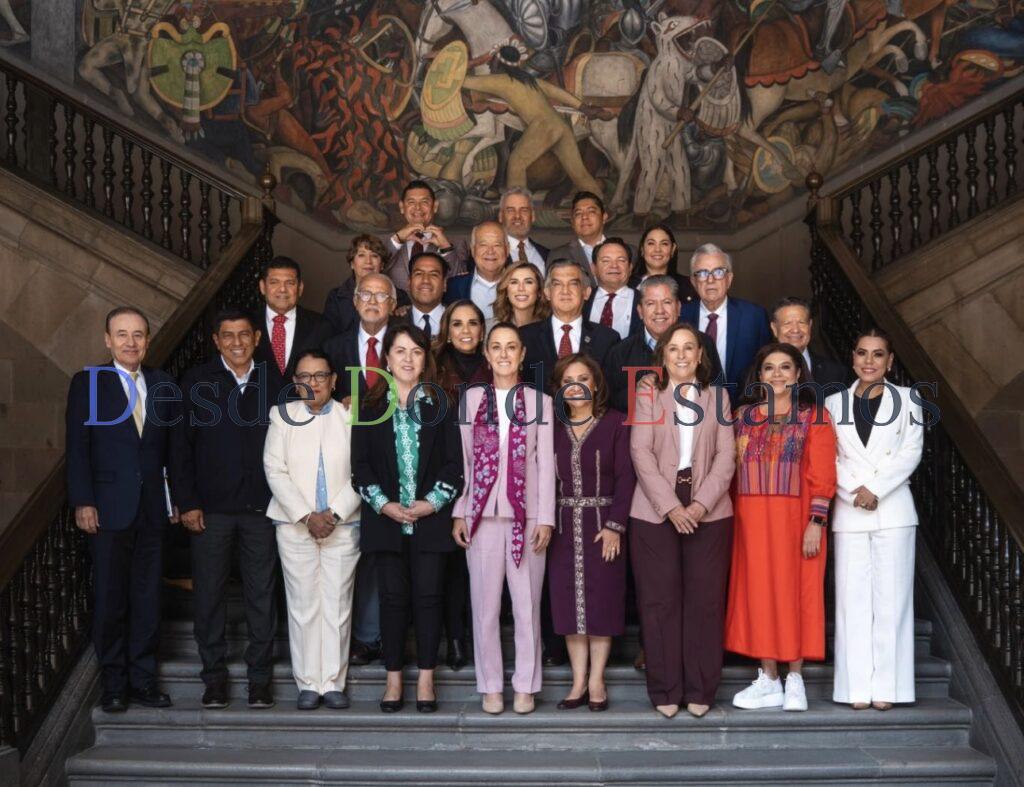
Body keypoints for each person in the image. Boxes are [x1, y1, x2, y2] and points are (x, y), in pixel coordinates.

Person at [66, 307, 176, 713]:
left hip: (151, 510)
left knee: (148, 598)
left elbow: (171, 449)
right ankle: (114, 685)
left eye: (139, 335)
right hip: (107, 509)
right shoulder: (88, 383)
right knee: (111, 599)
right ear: (107, 340)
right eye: (122, 335)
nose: (131, 342)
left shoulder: (163, 383)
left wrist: (177, 496)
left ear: (147, 340)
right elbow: (77, 447)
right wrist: (83, 500)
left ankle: (144, 681)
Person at [351, 326, 464, 713]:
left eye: (415, 352)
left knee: (429, 599)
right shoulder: (367, 407)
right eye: (399, 351)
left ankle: (428, 679)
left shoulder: (443, 406)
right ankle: (394, 678)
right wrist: (384, 504)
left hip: (430, 522)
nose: (407, 358)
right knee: (392, 600)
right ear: (386, 359)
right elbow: (359, 467)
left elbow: (455, 466)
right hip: (385, 521)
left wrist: (431, 503)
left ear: (424, 360)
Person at [172, 310, 278, 710]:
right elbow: (180, 448)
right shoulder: (197, 381)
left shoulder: (273, 381)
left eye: (244, 335)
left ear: (256, 338)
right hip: (210, 511)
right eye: (228, 335)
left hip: (261, 509)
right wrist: (188, 501)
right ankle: (213, 678)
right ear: (216, 341)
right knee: (209, 597)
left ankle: (260, 680)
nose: (237, 342)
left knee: (261, 596)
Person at [628, 323, 736, 719]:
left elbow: (727, 458)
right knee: (659, 603)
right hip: (655, 512)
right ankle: (665, 688)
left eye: (689, 348)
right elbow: (640, 453)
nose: (681, 355)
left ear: (700, 355)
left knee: (705, 603)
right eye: (673, 348)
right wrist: (672, 507)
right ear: (663, 355)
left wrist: (700, 505)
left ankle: (701, 688)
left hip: (710, 511)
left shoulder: (718, 398)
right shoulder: (646, 394)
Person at [726, 343, 837, 713]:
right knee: (758, 595)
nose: (777, 374)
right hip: (751, 522)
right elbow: (729, 473)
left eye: (785, 367)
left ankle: (795, 680)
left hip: (796, 522)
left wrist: (816, 523)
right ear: (759, 376)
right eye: (769, 368)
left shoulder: (814, 417)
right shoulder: (741, 417)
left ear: (797, 374)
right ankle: (769, 678)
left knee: (797, 594)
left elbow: (823, 475)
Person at [452, 323, 556, 714]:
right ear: (487, 353)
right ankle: (491, 685)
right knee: (485, 606)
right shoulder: (471, 400)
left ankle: (526, 685)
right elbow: (462, 462)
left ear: (522, 354)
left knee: (527, 606)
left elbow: (546, 463)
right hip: (480, 516)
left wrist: (546, 517)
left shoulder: (540, 402)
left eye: (511, 347)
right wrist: (460, 510)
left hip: (526, 517)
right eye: (496, 347)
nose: (504, 353)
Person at [826, 330, 923, 711]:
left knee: (892, 600)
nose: (869, 361)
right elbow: (827, 457)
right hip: (850, 511)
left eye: (878, 354)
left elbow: (911, 451)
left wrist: (876, 488)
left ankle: (890, 687)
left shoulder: (909, 400)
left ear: (890, 361)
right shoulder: (834, 403)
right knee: (851, 602)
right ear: (852, 358)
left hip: (894, 509)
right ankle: (854, 689)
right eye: (863, 353)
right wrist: (854, 491)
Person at [264, 351, 363, 710]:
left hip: (343, 522)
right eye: (305, 377)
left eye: (321, 376)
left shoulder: (350, 415)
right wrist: (307, 516)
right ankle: (308, 682)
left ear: (334, 381)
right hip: (295, 526)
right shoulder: (282, 416)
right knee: (303, 604)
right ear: (295, 383)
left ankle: (333, 682)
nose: (313, 383)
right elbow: (275, 470)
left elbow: (361, 471)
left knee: (337, 603)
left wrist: (333, 513)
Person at [549, 354, 634, 712]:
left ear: (596, 384)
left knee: (601, 603)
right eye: (568, 379)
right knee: (570, 605)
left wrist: (615, 526)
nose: (576, 385)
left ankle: (597, 679)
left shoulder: (616, 423)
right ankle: (577, 680)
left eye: (583, 378)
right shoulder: (551, 427)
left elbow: (627, 477)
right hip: (563, 525)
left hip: (603, 523)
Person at [433, 300, 491, 670]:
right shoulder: (433, 367)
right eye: (457, 324)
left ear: (483, 330)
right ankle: (455, 639)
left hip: (489, 475)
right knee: (452, 564)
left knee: (485, 563)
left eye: (473, 323)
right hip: (445, 471)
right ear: (447, 330)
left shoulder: (497, 364)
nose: (466, 330)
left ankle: (484, 637)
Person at [603, 277, 722, 414]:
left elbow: (717, 396)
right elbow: (609, 405)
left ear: (678, 308)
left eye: (667, 302)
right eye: (650, 303)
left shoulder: (704, 343)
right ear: (640, 311)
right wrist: (638, 393)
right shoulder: (620, 352)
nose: (659, 311)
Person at [680, 244, 771, 392]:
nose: (710, 280)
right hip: (691, 407)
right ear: (693, 282)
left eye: (718, 272)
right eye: (702, 273)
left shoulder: (754, 316)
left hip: (743, 408)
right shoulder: (681, 316)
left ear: (729, 279)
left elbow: (767, 366)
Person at [520, 260, 619, 395]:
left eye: (573, 284)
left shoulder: (607, 338)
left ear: (586, 292)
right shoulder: (524, 337)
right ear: (547, 293)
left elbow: (609, 390)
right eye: (557, 284)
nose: (565, 291)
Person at [254, 256, 333, 403]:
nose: (282, 289)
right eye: (274, 282)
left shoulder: (321, 326)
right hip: (254, 417)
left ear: (300, 288)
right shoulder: (247, 326)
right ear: (262, 287)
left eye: (290, 283)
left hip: (305, 417)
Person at [323, 273, 396, 406]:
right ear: (356, 301)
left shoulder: (407, 345)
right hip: (349, 424)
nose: (372, 301)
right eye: (365, 294)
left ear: (392, 305)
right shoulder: (333, 348)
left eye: (381, 296)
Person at [384, 180, 470, 294]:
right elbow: (376, 271)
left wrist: (446, 248)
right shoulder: (388, 242)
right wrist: (397, 240)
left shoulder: (455, 243)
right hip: (398, 310)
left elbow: (462, 284)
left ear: (435, 206)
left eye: (424, 202)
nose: (418, 208)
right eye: (411, 202)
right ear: (401, 207)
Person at [323, 234, 410, 336]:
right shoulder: (336, 297)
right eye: (361, 255)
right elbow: (329, 339)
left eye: (374, 256)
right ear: (352, 263)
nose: (368, 262)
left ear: (382, 265)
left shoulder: (400, 296)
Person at [770, 296, 849, 389]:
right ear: (775, 329)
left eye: (801, 322)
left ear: (810, 325)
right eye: (787, 323)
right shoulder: (759, 373)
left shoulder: (836, 373)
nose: (795, 330)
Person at [444, 220, 509, 320]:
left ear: (507, 249)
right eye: (483, 245)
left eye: (497, 245)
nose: (490, 251)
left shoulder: (520, 287)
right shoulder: (454, 286)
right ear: (473, 250)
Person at [549, 192, 614, 287]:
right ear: (572, 221)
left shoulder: (628, 253)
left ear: (604, 217)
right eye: (578, 213)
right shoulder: (558, 255)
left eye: (591, 212)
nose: (584, 217)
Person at [584, 238, 642, 340]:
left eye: (621, 260)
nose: (614, 266)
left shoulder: (644, 300)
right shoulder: (582, 300)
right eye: (606, 261)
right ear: (593, 268)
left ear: (630, 268)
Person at [628, 224, 697, 306]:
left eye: (664, 244)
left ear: (673, 249)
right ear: (642, 249)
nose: (657, 249)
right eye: (651, 243)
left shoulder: (689, 286)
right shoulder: (627, 284)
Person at [500, 187, 550, 274]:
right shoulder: (490, 254)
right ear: (500, 216)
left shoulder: (547, 254)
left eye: (524, 210)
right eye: (511, 210)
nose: (517, 216)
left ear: (533, 216)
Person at [404, 252, 448, 341]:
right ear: (409, 282)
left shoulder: (456, 319)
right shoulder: (394, 323)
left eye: (434, 274)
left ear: (444, 284)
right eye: (419, 273)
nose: (426, 280)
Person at [492, 261, 550, 328]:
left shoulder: (552, 328)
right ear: (506, 291)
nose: (521, 288)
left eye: (528, 282)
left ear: (539, 291)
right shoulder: (490, 327)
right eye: (514, 282)